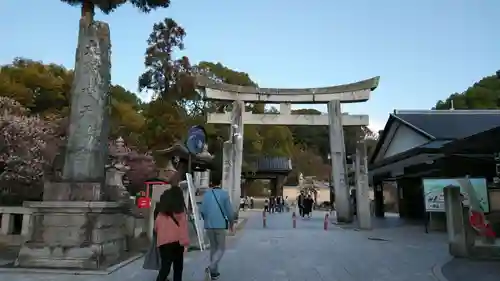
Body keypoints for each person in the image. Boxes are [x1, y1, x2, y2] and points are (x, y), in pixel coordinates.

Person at [154, 176, 189, 281]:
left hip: (163, 243)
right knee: (178, 268)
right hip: (177, 243)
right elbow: (183, 229)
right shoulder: (180, 213)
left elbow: (156, 228)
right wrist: (185, 244)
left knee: (165, 267)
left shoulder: (161, 214)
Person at [200, 177, 234, 280]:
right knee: (221, 248)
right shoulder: (224, 194)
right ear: (220, 183)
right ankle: (211, 267)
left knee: (213, 248)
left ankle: (214, 273)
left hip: (209, 225)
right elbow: (230, 212)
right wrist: (231, 223)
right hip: (220, 225)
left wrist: (206, 220)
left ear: (210, 183)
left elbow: (202, 211)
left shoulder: (206, 195)